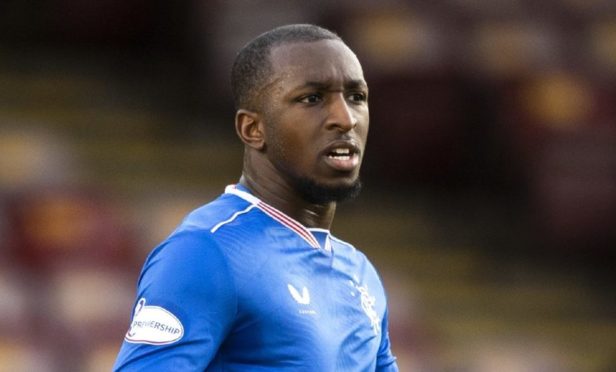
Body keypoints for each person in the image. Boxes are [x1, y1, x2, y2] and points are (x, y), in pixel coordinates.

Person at [113, 24, 399, 371]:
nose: (344, 119)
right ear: (253, 129)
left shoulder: (360, 273)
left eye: (356, 97)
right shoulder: (206, 252)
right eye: (312, 98)